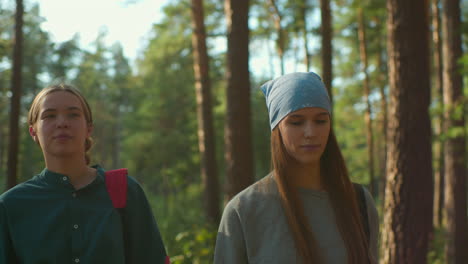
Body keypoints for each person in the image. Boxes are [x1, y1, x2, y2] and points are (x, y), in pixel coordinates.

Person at [214, 72, 379, 264]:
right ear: (277, 129)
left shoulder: (358, 201)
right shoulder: (243, 211)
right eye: (296, 122)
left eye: (320, 120)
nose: (310, 132)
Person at [0, 84, 169, 264]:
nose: (62, 122)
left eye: (73, 114)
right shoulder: (10, 206)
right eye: (49, 116)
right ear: (33, 131)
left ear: (89, 128)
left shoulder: (125, 190)